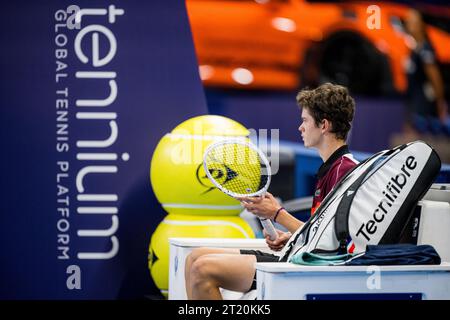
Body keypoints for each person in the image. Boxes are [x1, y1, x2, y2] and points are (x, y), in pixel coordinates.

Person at [185, 83, 358, 300]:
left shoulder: (346, 171)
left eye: (305, 121)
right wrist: (291, 238)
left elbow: (331, 240)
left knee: (203, 269)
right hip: (301, 254)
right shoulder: (330, 167)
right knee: (194, 257)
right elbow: (318, 231)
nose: (300, 127)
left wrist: (276, 214)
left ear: (323, 125)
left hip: (313, 269)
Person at [404, 9, 449, 135]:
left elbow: (435, 78)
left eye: (413, 22)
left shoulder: (426, 49)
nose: (409, 25)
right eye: (407, 22)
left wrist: (440, 103)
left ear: (421, 25)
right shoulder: (414, 49)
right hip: (415, 107)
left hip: (425, 111)